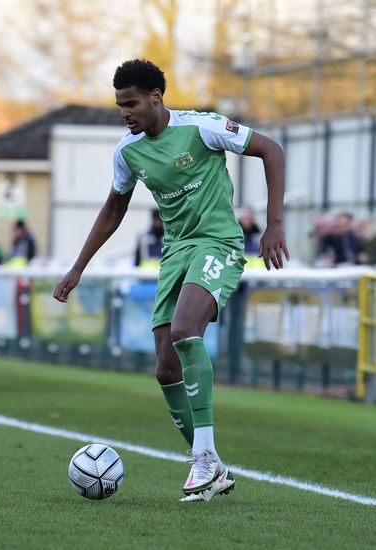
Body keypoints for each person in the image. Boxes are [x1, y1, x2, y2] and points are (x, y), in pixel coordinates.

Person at [53, 59, 289, 502]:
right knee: (165, 368)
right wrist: (78, 267)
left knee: (184, 332)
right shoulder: (128, 151)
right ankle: (212, 467)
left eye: (132, 103)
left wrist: (274, 223)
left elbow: (271, 150)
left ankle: (203, 458)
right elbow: (113, 209)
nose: (125, 112)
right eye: (120, 105)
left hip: (218, 243)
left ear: (156, 97)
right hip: (175, 252)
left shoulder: (202, 128)